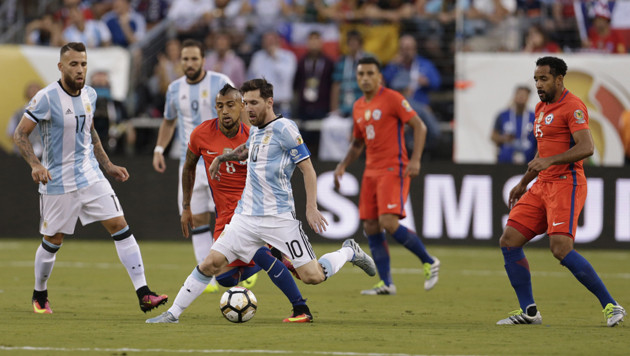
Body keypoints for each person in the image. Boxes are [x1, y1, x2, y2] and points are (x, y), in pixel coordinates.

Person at [152, 78, 376, 323]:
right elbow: (245, 150)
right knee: (211, 263)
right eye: (246, 103)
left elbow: (308, 170)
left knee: (312, 276)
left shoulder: (286, 129)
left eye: (254, 103)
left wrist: (311, 207)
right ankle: (172, 314)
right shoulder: (257, 130)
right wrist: (222, 158)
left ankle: (348, 252)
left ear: (269, 102)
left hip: (279, 218)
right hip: (245, 217)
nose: (248, 109)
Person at [12, 42, 167, 315]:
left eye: (83, 63)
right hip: (57, 182)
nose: (80, 69)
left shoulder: (91, 95)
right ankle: (39, 294)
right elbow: (20, 134)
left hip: (90, 176)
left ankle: (144, 293)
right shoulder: (46, 98)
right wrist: (35, 165)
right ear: (61, 67)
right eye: (73, 64)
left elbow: (90, 131)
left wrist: (107, 165)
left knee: (121, 226)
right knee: (52, 241)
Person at [147, 83, 314, 323]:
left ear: (242, 107)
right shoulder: (201, 134)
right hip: (224, 215)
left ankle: (298, 304)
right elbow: (189, 167)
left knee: (239, 257)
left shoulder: (255, 133)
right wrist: (186, 207)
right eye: (219, 106)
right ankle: (276, 256)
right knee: (224, 278)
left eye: (231, 105)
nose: (225, 111)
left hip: (252, 213)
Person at [496, 56, 626, 327]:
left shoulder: (574, 106)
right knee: (509, 240)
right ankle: (529, 311)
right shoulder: (541, 108)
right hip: (541, 184)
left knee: (560, 248)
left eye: (543, 79)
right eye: (536, 79)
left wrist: (550, 162)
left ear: (559, 79)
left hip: (567, 182)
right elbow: (543, 153)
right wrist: (523, 182)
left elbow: (586, 147)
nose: (539, 85)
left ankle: (611, 306)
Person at [333, 57, 440, 296]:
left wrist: (415, 159)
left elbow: (420, 126)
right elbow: (358, 143)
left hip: (393, 167)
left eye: (370, 73)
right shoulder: (358, 105)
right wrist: (342, 165)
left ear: (379, 76)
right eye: (361, 74)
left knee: (388, 222)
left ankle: (429, 260)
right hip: (370, 170)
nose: (365, 78)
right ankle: (386, 283)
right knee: (371, 226)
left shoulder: (392, 98)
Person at [152, 39, 234, 293]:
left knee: (229, 216)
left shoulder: (220, 81)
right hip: (190, 162)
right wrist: (159, 149)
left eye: (194, 59)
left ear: (203, 60)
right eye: (185, 59)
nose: (189, 64)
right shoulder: (175, 89)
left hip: (219, 160)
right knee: (196, 217)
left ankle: (240, 267)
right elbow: (168, 121)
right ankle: (206, 272)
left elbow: (237, 115)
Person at [491, 85, 537, 164]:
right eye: (519, 94)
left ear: (528, 98)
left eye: (524, 95)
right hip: (505, 162)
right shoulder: (503, 115)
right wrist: (503, 139)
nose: (521, 97)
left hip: (528, 163)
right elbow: (493, 136)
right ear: (514, 96)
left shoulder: (534, 117)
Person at [7, 82, 43, 157]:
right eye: (32, 90)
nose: (34, 93)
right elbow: (11, 133)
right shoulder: (18, 114)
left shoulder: (50, 113)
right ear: (26, 94)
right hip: (24, 156)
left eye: (37, 90)